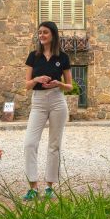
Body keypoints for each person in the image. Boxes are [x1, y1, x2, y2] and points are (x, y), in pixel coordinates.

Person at [23, 20, 72, 200]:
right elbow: (27, 85)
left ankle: (50, 186)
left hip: (58, 100)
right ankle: (33, 187)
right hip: (38, 101)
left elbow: (70, 86)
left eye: (45, 32)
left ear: (53, 34)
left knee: (54, 145)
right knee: (29, 143)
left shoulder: (63, 57)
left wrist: (58, 83)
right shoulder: (33, 56)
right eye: (40, 33)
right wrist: (37, 79)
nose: (41, 35)